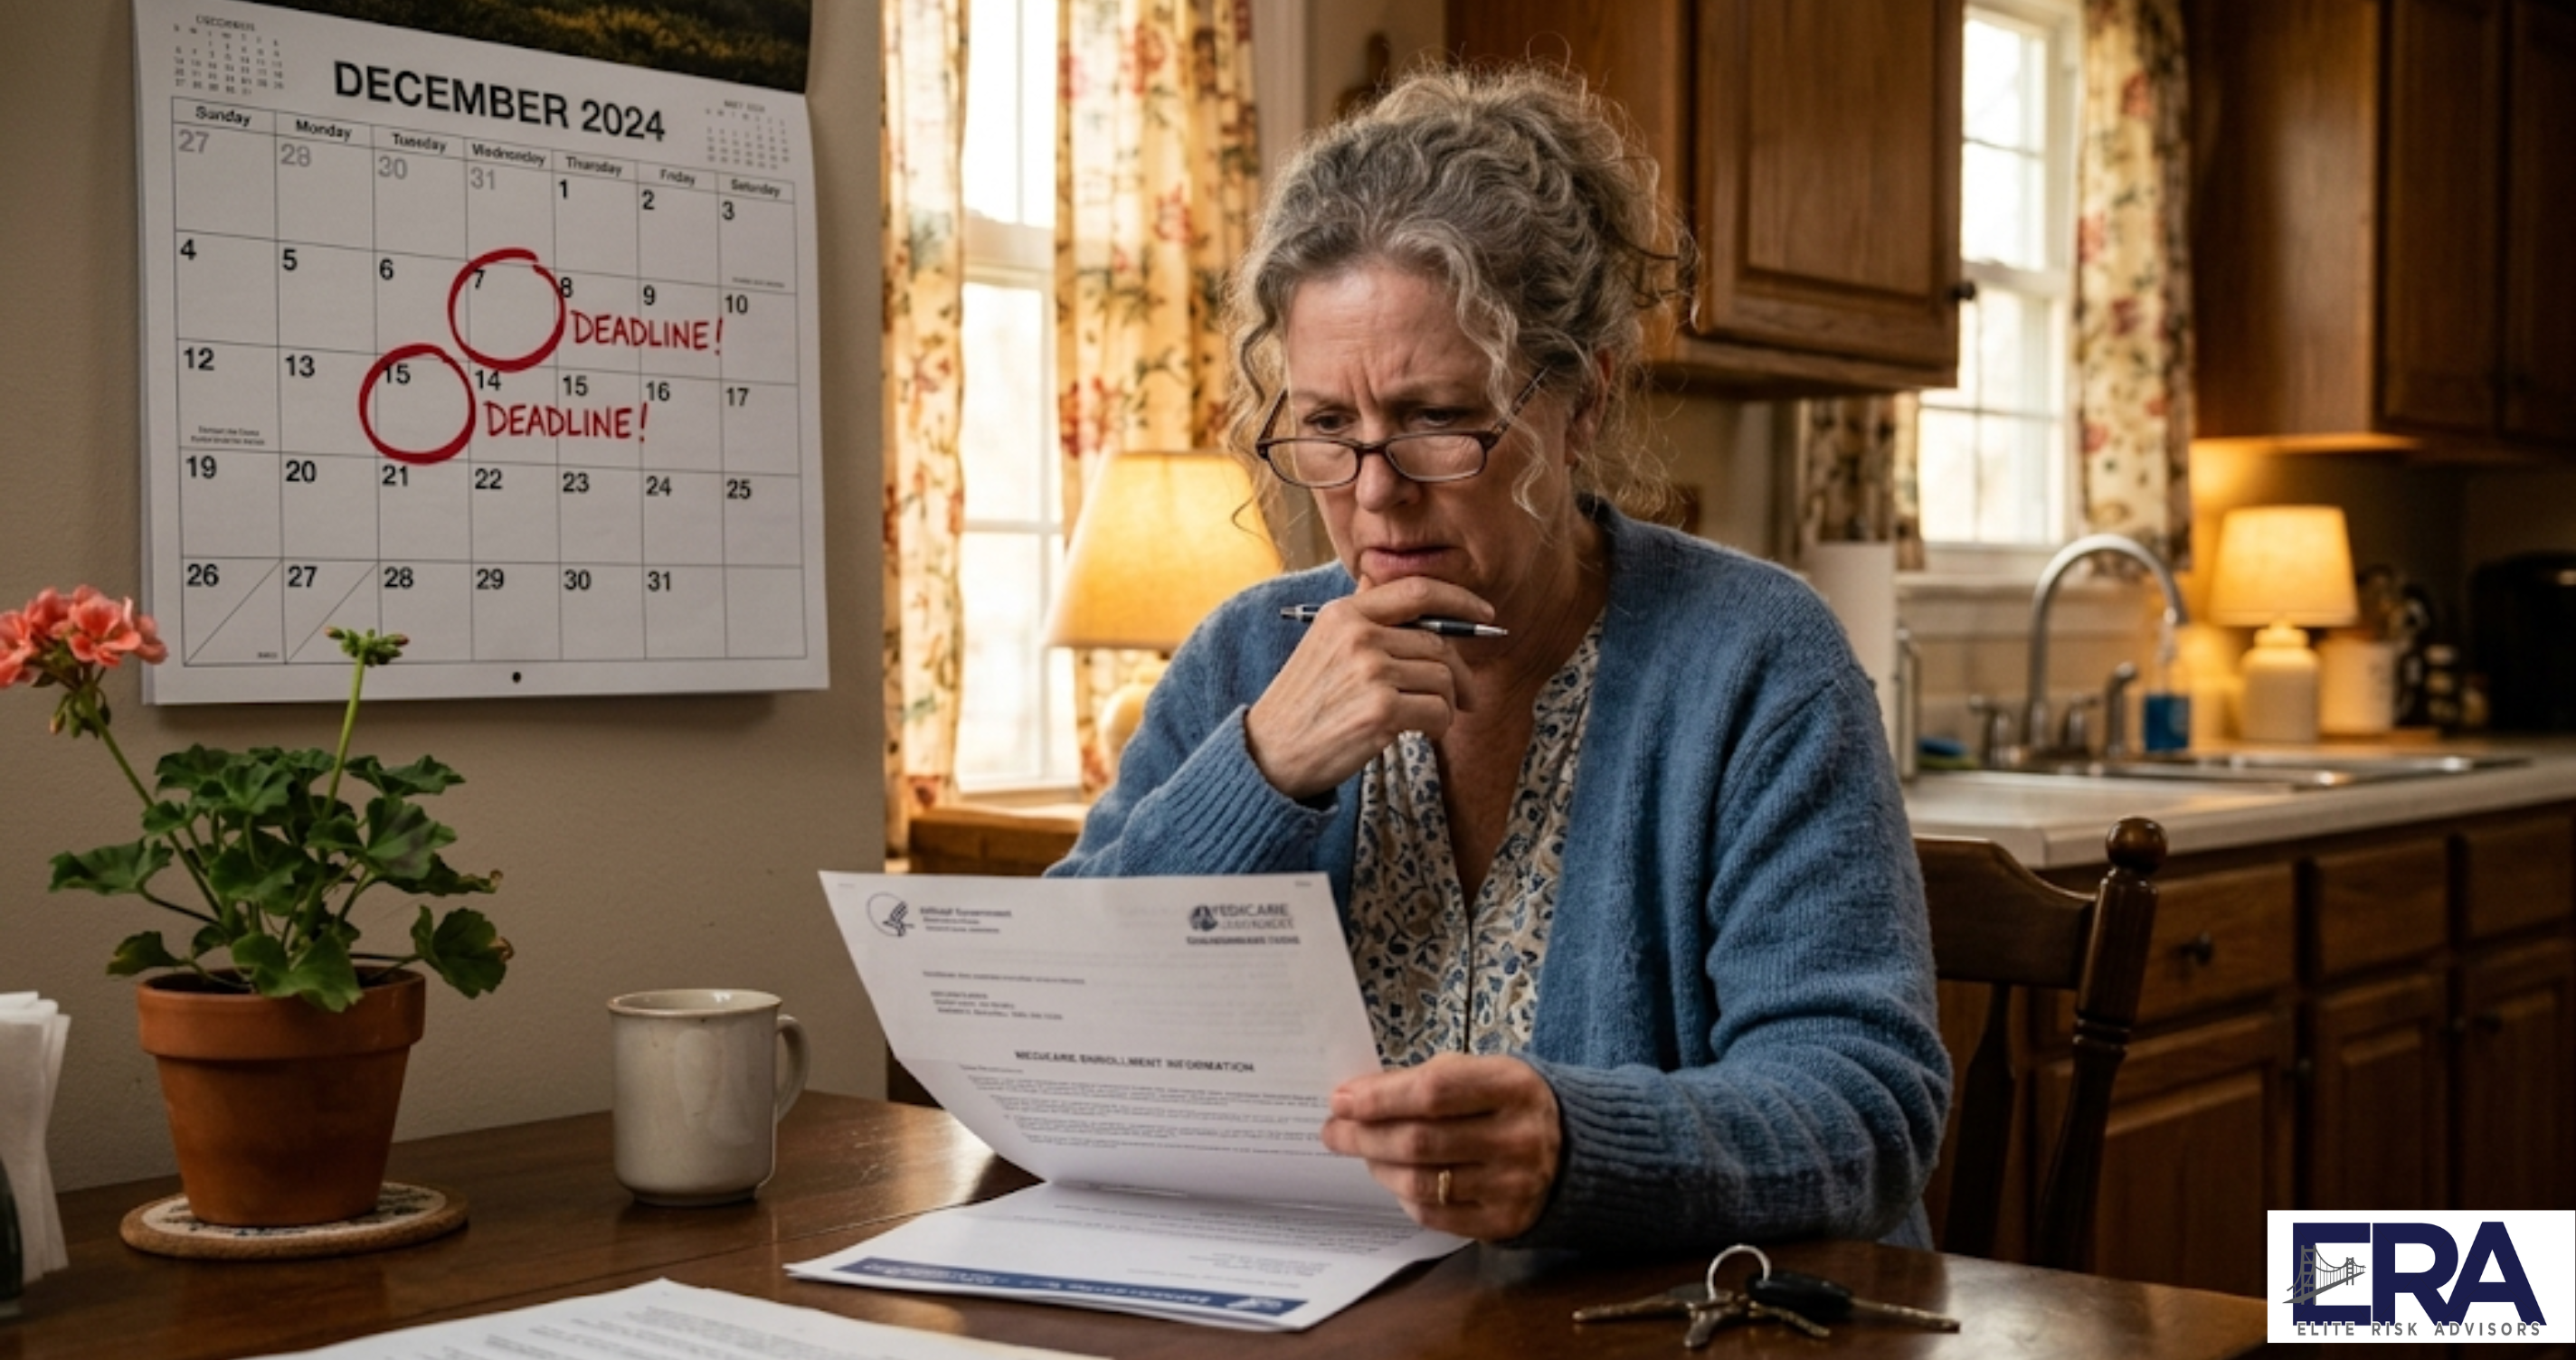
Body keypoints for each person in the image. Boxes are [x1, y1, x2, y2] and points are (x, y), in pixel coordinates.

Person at [1047, 63, 1949, 1256]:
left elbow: (1865, 1108)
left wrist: (1581, 1147)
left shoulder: (1755, 660)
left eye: (1437, 419)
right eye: (1325, 426)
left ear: (1582, 405)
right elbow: (1060, 1023)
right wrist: (1260, 771)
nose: (1374, 494)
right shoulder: (1241, 657)